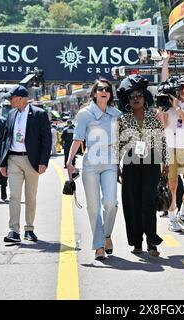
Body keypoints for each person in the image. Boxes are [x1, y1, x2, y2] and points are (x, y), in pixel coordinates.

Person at [66, 79, 122, 260]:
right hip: (90, 165)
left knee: (111, 203)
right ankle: (99, 245)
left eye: (107, 89)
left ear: (110, 93)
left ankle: (106, 235)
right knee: (93, 207)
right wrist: (69, 161)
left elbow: (124, 139)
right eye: (100, 89)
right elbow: (77, 139)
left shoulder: (117, 114)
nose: (104, 91)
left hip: (111, 163)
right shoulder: (85, 114)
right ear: (94, 93)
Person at [117, 74, 168, 257]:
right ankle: (137, 242)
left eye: (138, 95)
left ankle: (152, 242)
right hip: (130, 164)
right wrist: (116, 165)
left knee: (148, 202)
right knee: (133, 204)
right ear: (128, 101)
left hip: (151, 163)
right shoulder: (123, 119)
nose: (136, 99)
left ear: (144, 97)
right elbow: (118, 144)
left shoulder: (154, 116)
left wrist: (166, 162)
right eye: (132, 97)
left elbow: (162, 140)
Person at [0, 85, 52, 243]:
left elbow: (46, 139)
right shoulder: (11, 114)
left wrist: (44, 161)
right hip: (13, 159)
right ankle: (13, 231)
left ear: (21, 98)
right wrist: (2, 162)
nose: (9, 100)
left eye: (12, 98)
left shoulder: (39, 114)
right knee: (14, 195)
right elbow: (5, 138)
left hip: (32, 160)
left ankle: (29, 229)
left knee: (31, 197)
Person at [157, 52, 184, 232]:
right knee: (172, 184)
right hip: (170, 146)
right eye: (180, 87)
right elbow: (164, 83)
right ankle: (173, 218)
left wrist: (178, 107)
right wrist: (165, 62)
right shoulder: (169, 102)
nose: (183, 90)